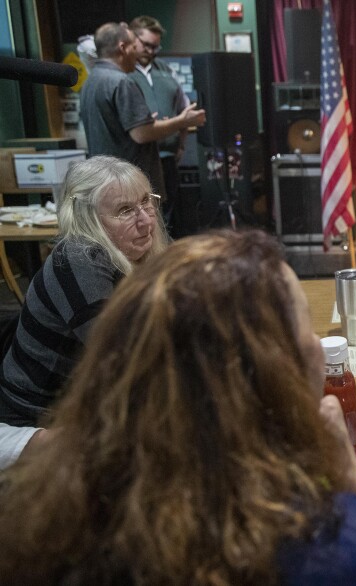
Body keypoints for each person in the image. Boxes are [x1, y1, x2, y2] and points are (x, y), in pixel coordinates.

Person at [0, 230, 356, 585]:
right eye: (303, 331)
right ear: (263, 376)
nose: (316, 345)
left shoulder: (46, 518)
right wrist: (349, 474)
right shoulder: (331, 543)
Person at [0, 156, 169, 433]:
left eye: (145, 202)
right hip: (35, 418)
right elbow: (127, 356)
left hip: (85, 404)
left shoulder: (136, 248)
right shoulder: (78, 259)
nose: (145, 221)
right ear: (87, 218)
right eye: (125, 210)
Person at [80, 22, 205, 197]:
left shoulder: (92, 80)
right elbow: (142, 134)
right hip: (130, 182)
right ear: (122, 48)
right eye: (134, 47)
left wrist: (145, 121)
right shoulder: (122, 82)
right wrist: (182, 121)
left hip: (107, 179)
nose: (137, 53)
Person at [129, 15, 191, 231]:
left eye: (156, 46)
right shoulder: (123, 72)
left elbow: (185, 110)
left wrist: (181, 144)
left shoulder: (166, 70)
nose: (151, 51)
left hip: (167, 158)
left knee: (168, 218)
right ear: (132, 38)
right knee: (144, 220)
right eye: (146, 45)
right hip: (137, 160)